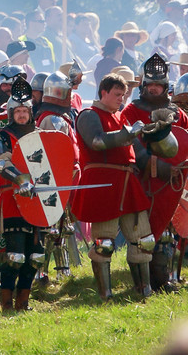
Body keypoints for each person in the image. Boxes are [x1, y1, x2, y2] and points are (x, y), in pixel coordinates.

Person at [72, 72, 178, 299]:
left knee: (144, 240)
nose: (122, 98)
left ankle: (144, 291)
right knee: (105, 243)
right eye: (118, 94)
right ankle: (105, 294)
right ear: (103, 93)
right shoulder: (89, 115)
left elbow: (137, 153)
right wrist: (128, 132)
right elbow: (97, 142)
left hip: (128, 183)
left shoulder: (121, 117)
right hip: (104, 182)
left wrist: (161, 166)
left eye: (124, 95)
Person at [121, 54, 188, 292]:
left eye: (158, 86)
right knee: (144, 231)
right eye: (150, 85)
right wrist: (154, 165)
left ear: (166, 87)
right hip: (143, 180)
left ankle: (165, 279)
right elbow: (130, 143)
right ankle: (145, 281)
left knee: (169, 232)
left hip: (173, 182)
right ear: (143, 86)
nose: (154, 89)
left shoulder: (176, 113)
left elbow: (184, 138)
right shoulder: (130, 111)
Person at [0, 80, 43, 312]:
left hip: (40, 200)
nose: (21, 115)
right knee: (15, 256)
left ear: (31, 112)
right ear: (11, 113)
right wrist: (21, 179)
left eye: (25, 111)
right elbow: (1, 164)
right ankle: (6, 304)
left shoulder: (42, 136)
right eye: (17, 111)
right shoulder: (2, 136)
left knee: (36, 256)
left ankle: (24, 302)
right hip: (13, 198)